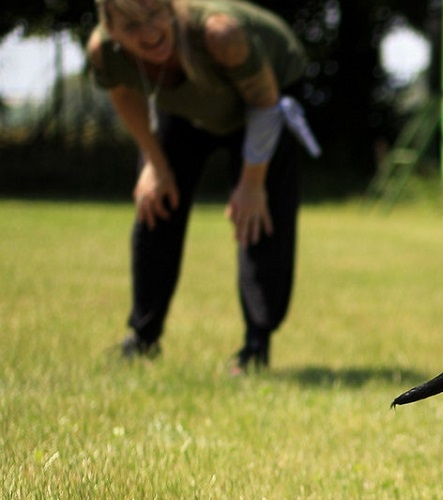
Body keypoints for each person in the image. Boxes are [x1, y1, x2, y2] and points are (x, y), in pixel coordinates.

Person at [87, 0, 320, 374]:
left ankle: (255, 346)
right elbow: (123, 94)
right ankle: (143, 338)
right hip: (183, 111)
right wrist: (154, 164)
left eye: (153, 16)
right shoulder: (104, 52)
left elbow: (264, 102)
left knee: (258, 217)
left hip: (265, 103)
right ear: (111, 29)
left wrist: (251, 183)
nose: (148, 33)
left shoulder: (220, 34)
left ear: (171, 8)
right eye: (130, 26)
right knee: (155, 203)